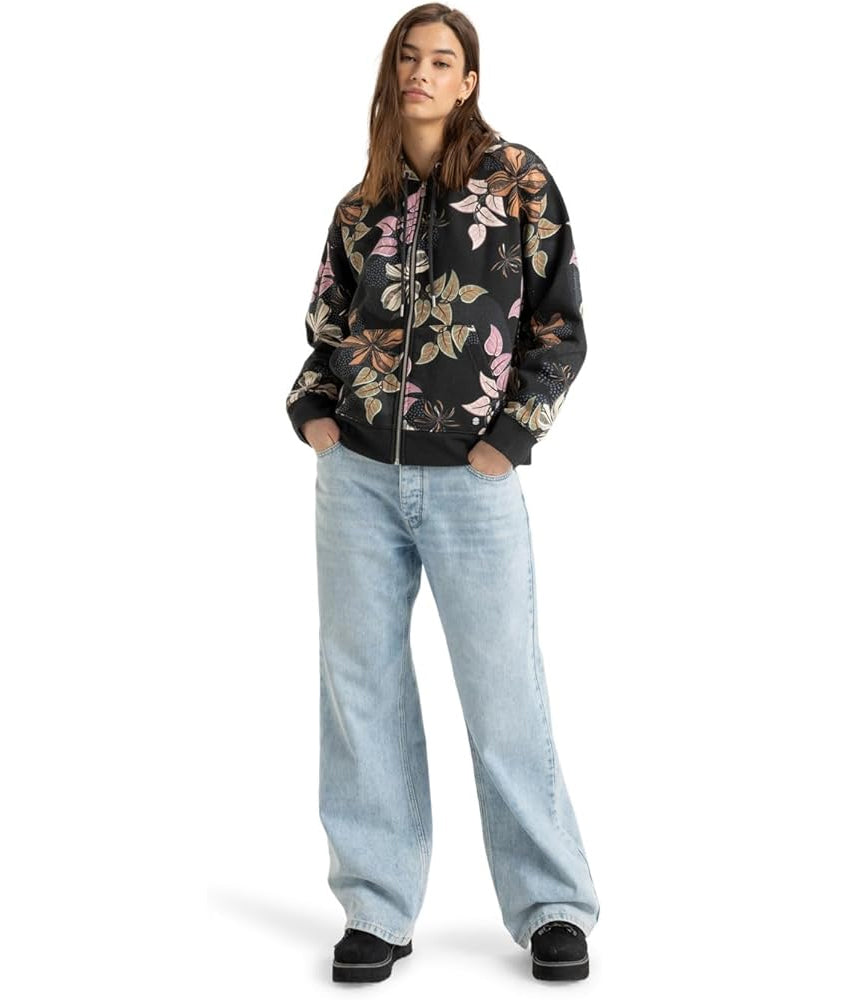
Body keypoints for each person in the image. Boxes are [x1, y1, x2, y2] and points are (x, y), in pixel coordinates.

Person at [285, 3, 600, 983]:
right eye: (408, 58)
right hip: (358, 481)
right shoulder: (361, 204)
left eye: (441, 60)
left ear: (468, 81)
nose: (420, 72)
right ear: (393, 75)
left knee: (504, 689)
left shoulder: (516, 181)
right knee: (361, 689)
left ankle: (552, 904)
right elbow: (325, 324)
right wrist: (315, 412)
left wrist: (511, 438)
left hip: (471, 480)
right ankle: (376, 907)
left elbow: (560, 326)